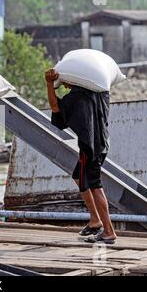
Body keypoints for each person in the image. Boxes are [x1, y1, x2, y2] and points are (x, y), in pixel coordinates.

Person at [45, 68, 117, 244]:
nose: (66, 86)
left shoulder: (77, 97)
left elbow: (56, 108)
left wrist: (49, 84)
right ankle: (95, 220)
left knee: (94, 185)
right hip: (102, 143)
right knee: (78, 176)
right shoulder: (99, 92)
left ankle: (108, 231)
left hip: (90, 147)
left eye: (66, 82)